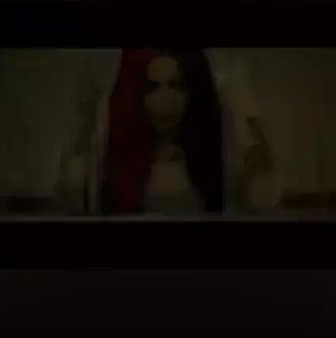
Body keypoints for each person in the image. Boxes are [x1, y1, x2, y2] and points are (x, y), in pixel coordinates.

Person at [59, 48, 280, 216]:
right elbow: (72, 199)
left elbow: (264, 198)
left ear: (191, 92)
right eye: (152, 87)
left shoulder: (218, 158)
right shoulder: (119, 160)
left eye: (176, 86)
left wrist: (246, 113)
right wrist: (83, 126)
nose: (164, 100)